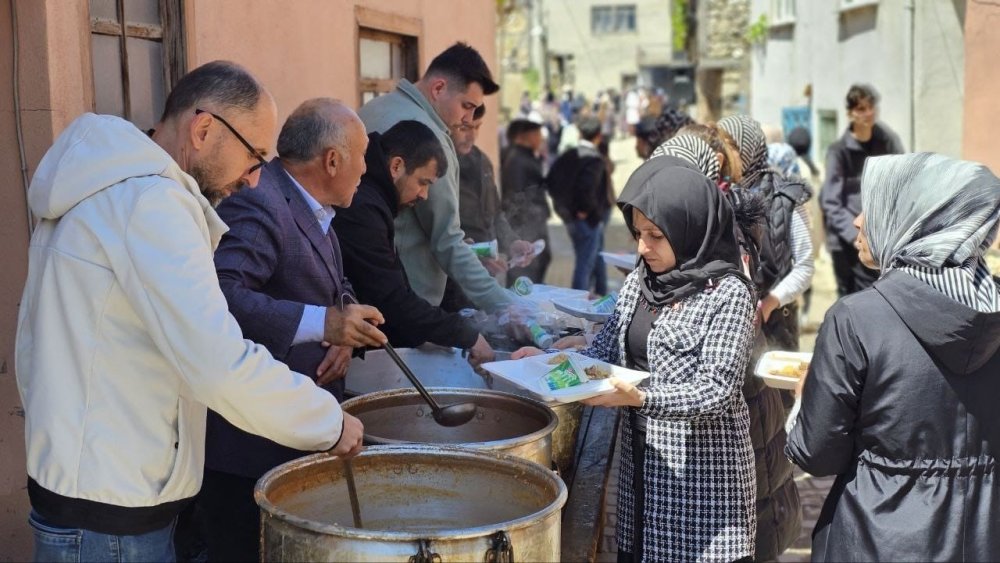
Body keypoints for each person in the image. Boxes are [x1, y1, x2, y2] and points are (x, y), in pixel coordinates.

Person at [15, 61, 366, 562]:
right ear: (204, 129)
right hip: (110, 515)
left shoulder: (106, 185)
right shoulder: (151, 202)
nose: (253, 181)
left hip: (89, 495)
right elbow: (217, 364)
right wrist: (328, 423)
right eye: (254, 158)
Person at [515, 157, 758, 561]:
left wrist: (641, 398)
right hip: (643, 471)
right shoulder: (639, 283)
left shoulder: (727, 293)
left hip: (703, 483)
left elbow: (716, 391)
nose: (643, 247)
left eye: (656, 235)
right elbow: (604, 353)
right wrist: (547, 361)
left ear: (689, 229)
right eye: (639, 233)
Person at [195, 98, 386, 562]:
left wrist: (342, 323)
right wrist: (323, 323)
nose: (366, 169)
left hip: (294, 437)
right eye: (362, 156)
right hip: (249, 452)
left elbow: (333, 282)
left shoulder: (315, 206)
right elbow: (222, 294)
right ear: (333, 159)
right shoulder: (261, 201)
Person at [786, 152, 1000, 561]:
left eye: (876, 205)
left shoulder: (857, 318)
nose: (858, 220)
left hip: (874, 536)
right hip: (982, 534)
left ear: (917, 220)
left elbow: (817, 454)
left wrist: (803, 402)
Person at [651, 133, 802, 561]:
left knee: (749, 505)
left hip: (738, 399)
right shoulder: (699, 229)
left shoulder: (721, 238)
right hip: (736, 395)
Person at [357, 42, 512, 313]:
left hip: (357, 290)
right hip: (404, 302)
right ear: (438, 88)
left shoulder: (373, 108)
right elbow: (447, 240)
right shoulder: (430, 139)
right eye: (467, 106)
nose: (468, 119)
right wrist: (507, 307)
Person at [332, 120, 495, 365]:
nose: (423, 195)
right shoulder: (364, 206)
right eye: (423, 182)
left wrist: (421, 333)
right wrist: (467, 335)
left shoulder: (376, 200)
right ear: (397, 166)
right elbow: (390, 299)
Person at [720, 115, 814, 356]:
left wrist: (769, 303)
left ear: (746, 147)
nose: (721, 154)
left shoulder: (786, 198)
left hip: (775, 326)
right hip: (727, 326)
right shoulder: (721, 195)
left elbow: (804, 267)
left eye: (728, 146)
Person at [442, 104, 535, 309]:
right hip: (451, 281)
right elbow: (440, 237)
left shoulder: (482, 161)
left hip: (487, 275)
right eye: (465, 128)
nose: (472, 136)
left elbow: (495, 213)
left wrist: (512, 242)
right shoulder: (440, 166)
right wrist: (475, 256)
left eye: (477, 127)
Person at [820, 84, 905, 297]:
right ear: (850, 113)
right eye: (860, 109)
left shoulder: (887, 142)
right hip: (846, 239)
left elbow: (902, 180)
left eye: (871, 107)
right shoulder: (838, 152)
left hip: (878, 237)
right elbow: (831, 203)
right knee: (850, 298)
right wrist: (856, 236)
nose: (868, 113)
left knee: (877, 296)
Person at [547, 115, 614, 295]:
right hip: (586, 218)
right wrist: (583, 209)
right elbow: (586, 188)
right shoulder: (594, 159)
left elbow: (551, 180)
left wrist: (564, 209)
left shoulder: (568, 155)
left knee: (593, 257)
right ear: (598, 136)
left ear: (580, 134)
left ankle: (601, 293)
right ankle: (578, 306)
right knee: (585, 264)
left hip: (573, 217)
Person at [502, 118, 552, 284]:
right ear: (524, 136)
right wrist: (523, 227)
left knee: (540, 261)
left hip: (533, 221)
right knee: (525, 268)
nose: (540, 140)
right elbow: (516, 195)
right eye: (537, 135)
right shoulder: (517, 159)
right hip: (525, 224)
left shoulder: (524, 156)